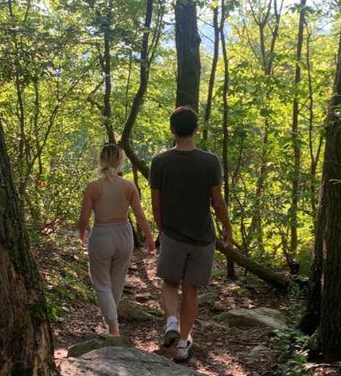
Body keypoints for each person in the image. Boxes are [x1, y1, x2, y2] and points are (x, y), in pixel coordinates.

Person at [150, 106, 233, 362]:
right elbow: (217, 202)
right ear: (197, 129)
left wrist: (162, 230)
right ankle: (184, 343)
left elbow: (156, 202)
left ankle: (172, 322)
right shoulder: (210, 162)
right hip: (203, 237)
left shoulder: (160, 161)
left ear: (172, 129)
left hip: (173, 234)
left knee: (169, 282)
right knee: (191, 289)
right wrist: (227, 229)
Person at [79, 143, 155, 335]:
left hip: (102, 234)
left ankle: (113, 326)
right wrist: (149, 237)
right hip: (124, 235)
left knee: (101, 282)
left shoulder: (93, 187)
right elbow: (140, 216)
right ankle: (111, 324)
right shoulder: (129, 186)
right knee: (117, 280)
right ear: (120, 161)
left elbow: (84, 217)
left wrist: (81, 232)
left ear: (101, 159)